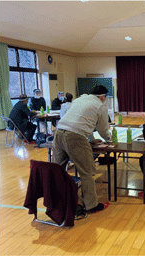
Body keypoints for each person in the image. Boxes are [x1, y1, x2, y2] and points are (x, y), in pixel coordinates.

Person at [53, 85, 111, 213]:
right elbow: (102, 129)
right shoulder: (100, 106)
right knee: (87, 172)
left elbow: (81, 119)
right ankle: (92, 205)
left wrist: (90, 138)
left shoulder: (80, 99)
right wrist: (110, 139)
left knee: (58, 169)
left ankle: (57, 200)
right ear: (102, 96)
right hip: (75, 136)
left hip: (59, 133)